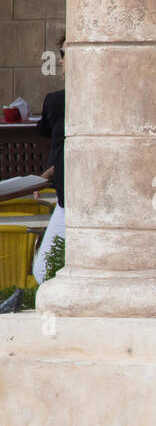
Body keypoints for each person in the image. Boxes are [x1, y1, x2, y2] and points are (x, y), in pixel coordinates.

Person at [34, 34, 66, 284]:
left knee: (44, 270)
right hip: (66, 198)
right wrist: (50, 172)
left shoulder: (57, 101)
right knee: (44, 269)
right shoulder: (57, 101)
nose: (63, 62)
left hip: (75, 201)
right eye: (63, 55)